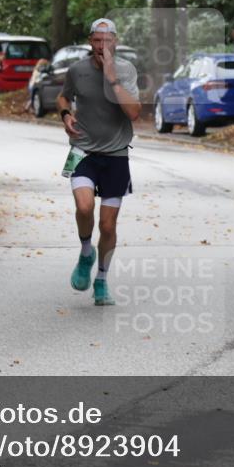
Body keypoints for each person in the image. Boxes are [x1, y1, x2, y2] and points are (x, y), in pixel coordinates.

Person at [57, 18, 141, 306]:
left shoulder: (126, 70)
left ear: (115, 42)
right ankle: (85, 252)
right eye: (96, 40)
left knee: (107, 226)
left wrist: (111, 77)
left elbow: (133, 113)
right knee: (83, 206)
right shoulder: (77, 70)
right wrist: (66, 115)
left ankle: (102, 280)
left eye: (106, 41)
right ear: (89, 41)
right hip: (82, 151)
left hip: (116, 154)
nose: (101, 46)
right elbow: (63, 97)